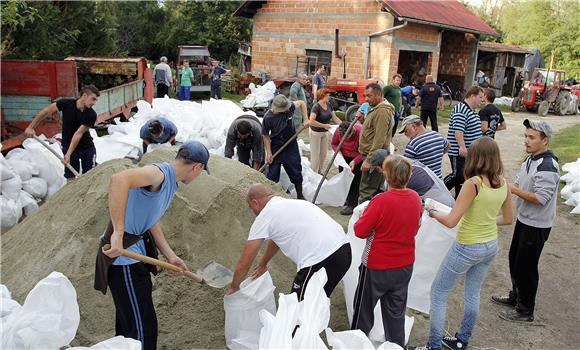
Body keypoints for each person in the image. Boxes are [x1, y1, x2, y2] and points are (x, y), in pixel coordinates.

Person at [95, 141, 210, 350]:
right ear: (198, 167)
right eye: (201, 172)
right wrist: (118, 233)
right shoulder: (160, 174)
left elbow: (150, 219)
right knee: (142, 330)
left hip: (134, 258)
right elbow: (119, 179)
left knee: (129, 324)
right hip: (123, 261)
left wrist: (170, 255)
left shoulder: (170, 183)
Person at [409, 137, 514, 350]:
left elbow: (450, 220)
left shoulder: (473, 184)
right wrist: (484, 221)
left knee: (438, 293)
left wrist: (432, 211)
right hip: (490, 245)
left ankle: (433, 345)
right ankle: (461, 340)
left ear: (475, 157)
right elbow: (508, 218)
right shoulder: (503, 183)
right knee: (472, 293)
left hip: (468, 245)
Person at [227, 183, 351, 300]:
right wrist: (263, 264)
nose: (252, 211)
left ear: (255, 202)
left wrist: (234, 287)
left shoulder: (265, 216)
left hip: (319, 260)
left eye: (250, 207)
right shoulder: (288, 204)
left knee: (296, 310)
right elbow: (276, 239)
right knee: (315, 305)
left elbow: (246, 260)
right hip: (344, 251)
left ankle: (299, 323)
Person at [492, 119, 559, 323]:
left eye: (532, 137)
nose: (526, 141)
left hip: (537, 224)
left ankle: (525, 310)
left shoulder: (548, 165)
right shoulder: (530, 160)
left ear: (544, 141)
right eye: (525, 136)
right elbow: (519, 184)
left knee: (527, 266)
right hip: (525, 219)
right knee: (515, 259)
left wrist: (512, 189)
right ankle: (516, 297)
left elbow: (540, 198)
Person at [351, 155, 422, 348]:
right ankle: (396, 346)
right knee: (396, 313)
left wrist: (364, 217)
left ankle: (357, 344)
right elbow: (416, 228)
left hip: (376, 266)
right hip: (404, 265)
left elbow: (360, 231)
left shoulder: (380, 200)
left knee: (363, 312)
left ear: (387, 175)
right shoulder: (416, 198)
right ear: (408, 176)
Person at [24, 85, 100, 180]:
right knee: (70, 178)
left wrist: (68, 154)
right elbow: (46, 111)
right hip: (68, 146)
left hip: (86, 148)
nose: (94, 103)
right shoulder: (66, 103)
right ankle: (71, 195)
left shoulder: (91, 114)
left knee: (90, 176)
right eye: (93, 99)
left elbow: (78, 134)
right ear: (84, 96)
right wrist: (30, 127)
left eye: (96, 100)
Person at [371, 149, 455, 208]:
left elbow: (394, 201)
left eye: (377, 169)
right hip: (441, 201)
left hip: (440, 206)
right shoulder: (403, 162)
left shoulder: (402, 172)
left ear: (384, 165)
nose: (379, 172)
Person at [262, 95, 308, 199]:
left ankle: (300, 195)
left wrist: (305, 119)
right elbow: (265, 136)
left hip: (291, 145)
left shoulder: (289, 106)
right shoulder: (268, 118)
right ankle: (271, 198)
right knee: (272, 175)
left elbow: (302, 103)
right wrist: (269, 153)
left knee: (295, 170)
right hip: (276, 146)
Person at [444, 86, 484, 198]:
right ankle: (439, 189)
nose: (482, 100)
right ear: (472, 96)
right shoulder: (461, 109)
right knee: (458, 175)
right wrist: (462, 147)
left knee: (464, 178)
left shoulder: (472, 110)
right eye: (480, 97)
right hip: (459, 152)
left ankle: (459, 201)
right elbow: (458, 130)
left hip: (469, 152)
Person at [358, 83, 394, 203]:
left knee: (367, 191)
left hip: (374, 157)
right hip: (372, 155)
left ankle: (362, 218)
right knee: (376, 190)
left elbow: (379, 138)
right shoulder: (376, 108)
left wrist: (369, 160)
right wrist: (362, 120)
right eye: (365, 96)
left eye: (369, 96)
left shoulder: (382, 111)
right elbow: (372, 131)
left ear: (379, 95)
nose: (366, 99)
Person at [331, 121, 363, 215]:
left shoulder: (360, 132)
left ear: (352, 131)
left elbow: (365, 151)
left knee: (355, 181)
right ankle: (347, 199)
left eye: (348, 137)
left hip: (357, 158)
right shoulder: (338, 130)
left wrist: (355, 161)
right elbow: (334, 144)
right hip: (343, 158)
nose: (346, 140)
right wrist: (339, 153)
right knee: (344, 179)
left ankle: (352, 204)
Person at [309, 88, 342, 174]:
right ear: (322, 96)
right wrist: (324, 125)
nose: (329, 97)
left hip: (325, 132)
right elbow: (311, 121)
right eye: (327, 95)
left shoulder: (329, 105)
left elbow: (335, 118)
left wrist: (343, 124)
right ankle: (313, 174)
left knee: (323, 155)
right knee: (315, 156)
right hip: (315, 133)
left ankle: (319, 173)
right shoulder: (316, 107)